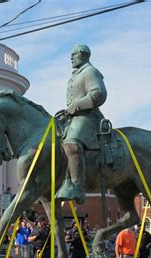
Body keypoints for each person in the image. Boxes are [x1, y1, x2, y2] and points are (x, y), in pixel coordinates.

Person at [56, 44, 107, 204]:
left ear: (84, 55)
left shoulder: (90, 72)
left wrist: (76, 105)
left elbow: (99, 94)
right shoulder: (76, 75)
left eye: (74, 54)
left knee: (71, 144)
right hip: (73, 117)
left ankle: (77, 186)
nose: (71, 58)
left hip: (88, 117)